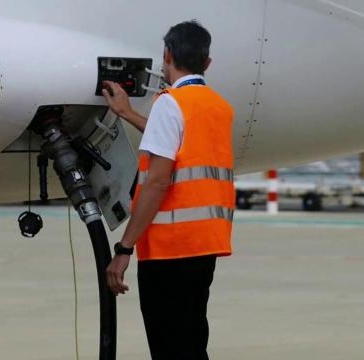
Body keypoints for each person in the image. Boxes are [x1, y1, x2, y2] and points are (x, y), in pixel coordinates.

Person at [102, 20, 235, 360]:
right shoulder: (219, 107)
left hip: (169, 250)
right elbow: (179, 144)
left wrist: (124, 248)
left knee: (169, 347)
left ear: (167, 55)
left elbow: (158, 181)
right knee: (192, 341)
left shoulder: (169, 102)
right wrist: (130, 115)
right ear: (207, 63)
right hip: (205, 244)